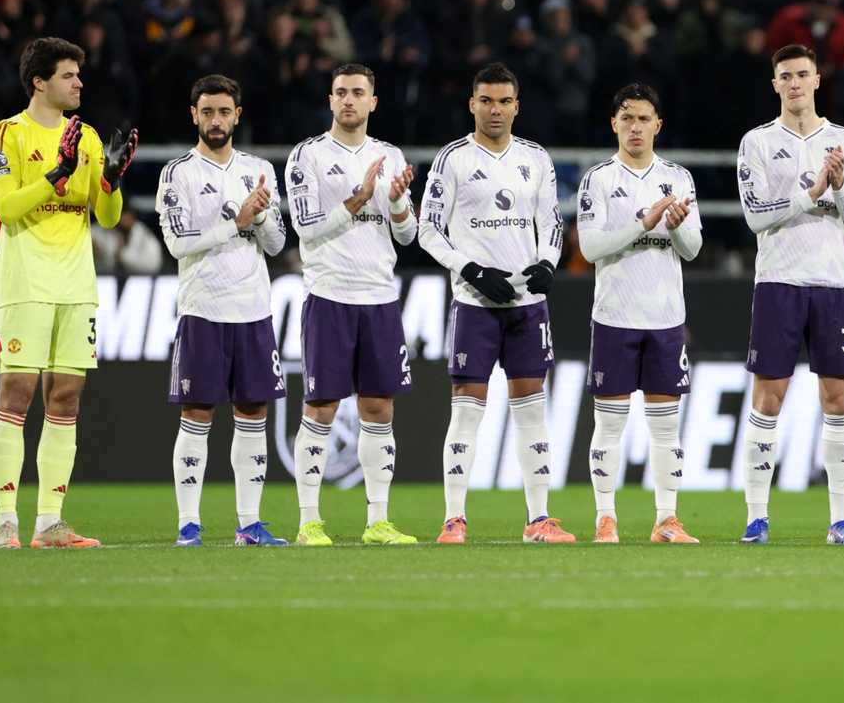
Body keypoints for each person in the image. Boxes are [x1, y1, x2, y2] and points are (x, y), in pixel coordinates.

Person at [0, 36, 135, 552]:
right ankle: (7, 520)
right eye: (69, 75)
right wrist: (57, 174)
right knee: (17, 394)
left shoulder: (86, 137)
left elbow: (107, 219)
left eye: (79, 75)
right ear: (39, 82)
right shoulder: (6, 136)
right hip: (24, 282)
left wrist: (110, 180)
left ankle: (50, 523)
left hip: (77, 285)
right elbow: (6, 206)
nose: (78, 83)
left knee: (65, 399)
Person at [418, 62, 570, 545]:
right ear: (472, 104)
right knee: (466, 412)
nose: (495, 110)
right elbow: (427, 230)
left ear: (517, 106)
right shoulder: (452, 159)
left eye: (504, 101)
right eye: (486, 101)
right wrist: (471, 271)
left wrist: (547, 262)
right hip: (474, 305)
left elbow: (553, 224)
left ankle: (539, 519)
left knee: (531, 411)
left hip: (526, 304)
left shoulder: (535, 158)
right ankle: (454, 519)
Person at [736, 44, 844, 545]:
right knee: (768, 399)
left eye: (802, 75)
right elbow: (755, 216)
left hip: (835, 282)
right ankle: (757, 517)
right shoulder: (756, 142)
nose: (794, 83)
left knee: (839, 400)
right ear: (775, 85)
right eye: (785, 76)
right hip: (779, 281)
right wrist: (812, 192)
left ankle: (841, 519)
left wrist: (839, 188)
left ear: (818, 80)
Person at [283, 62, 419, 546]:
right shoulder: (308, 156)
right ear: (330, 99)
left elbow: (407, 235)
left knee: (379, 408)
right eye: (341, 92)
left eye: (358, 92)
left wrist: (399, 202)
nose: (349, 100)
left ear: (373, 102)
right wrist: (358, 198)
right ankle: (308, 521)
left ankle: (377, 521)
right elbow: (305, 226)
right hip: (330, 295)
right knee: (320, 407)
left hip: (379, 297)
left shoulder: (389, 154)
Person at [156, 74, 289, 547]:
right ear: (194, 115)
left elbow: (276, 244)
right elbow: (177, 242)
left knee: (253, 415)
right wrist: (238, 222)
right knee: (197, 414)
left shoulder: (258, 169)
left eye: (224, 112)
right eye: (207, 111)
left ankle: (249, 525)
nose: (216, 120)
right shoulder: (178, 173)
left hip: (252, 309)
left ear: (238, 115)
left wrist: (263, 216)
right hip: (203, 310)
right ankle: (188, 525)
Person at [575, 83, 701, 544]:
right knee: (609, 423)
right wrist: (642, 223)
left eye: (644, 119)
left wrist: (677, 226)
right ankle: (605, 518)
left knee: (666, 426)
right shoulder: (599, 179)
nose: (635, 127)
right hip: (615, 315)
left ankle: (667, 519)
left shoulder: (679, 178)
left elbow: (692, 249)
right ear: (614, 124)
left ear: (658, 126)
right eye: (626, 118)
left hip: (666, 317)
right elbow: (590, 247)